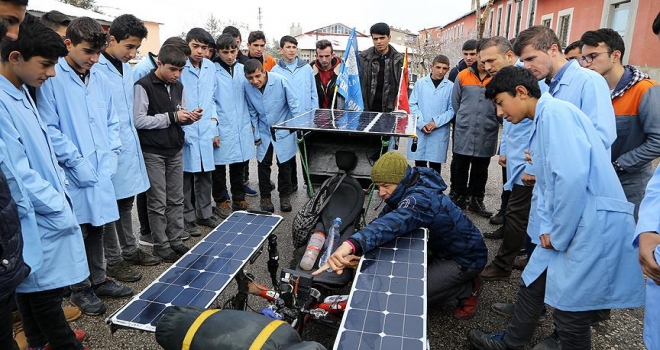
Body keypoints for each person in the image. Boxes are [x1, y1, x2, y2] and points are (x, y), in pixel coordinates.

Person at [469, 65, 644, 350]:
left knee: (571, 314)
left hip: (585, 226)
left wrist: (557, 233)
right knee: (532, 281)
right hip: (572, 222)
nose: (500, 113)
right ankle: (512, 342)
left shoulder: (556, 115)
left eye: (501, 103)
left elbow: (571, 179)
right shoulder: (546, 117)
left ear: (522, 92)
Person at [0, 16, 89, 349]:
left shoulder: (21, 91)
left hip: (43, 210)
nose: (51, 73)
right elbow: (16, 172)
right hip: (33, 214)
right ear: (15, 57)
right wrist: (57, 207)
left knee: (35, 287)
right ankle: (63, 343)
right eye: (46, 64)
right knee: (43, 293)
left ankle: (38, 340)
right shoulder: (2, 101)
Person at [36, 16, 134, 316]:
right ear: (68, 44)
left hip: (101, 167)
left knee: (97, 226)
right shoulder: (53, 79)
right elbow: (49, 128)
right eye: (87, 52)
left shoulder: (100, 79)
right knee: (77, 228)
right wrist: (75, 162)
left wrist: (112, 155)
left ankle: (99, 277)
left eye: (97, 52)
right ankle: (80, 288)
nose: (93, 59)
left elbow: (111, 121)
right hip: (71, 171)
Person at [315, 152, 487, 319]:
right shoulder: (407, 186)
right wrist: (360, 253)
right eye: (378, 186)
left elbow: (392, 224)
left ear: (401, 180)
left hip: (464, 259)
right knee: (396, 276)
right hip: (439, 250)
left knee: (408, 300)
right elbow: (382, 221)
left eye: (385, 186)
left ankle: (468, 288)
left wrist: (350, 244)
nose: (381, 193)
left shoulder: (420, 199)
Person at [96, 14, 161, 284]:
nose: (133, 53)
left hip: (127, 145)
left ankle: (131, 249)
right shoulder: (97, 69)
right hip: (107, 149)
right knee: (109, 209)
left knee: (125, 203)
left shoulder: (127, 69)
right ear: (112, 39)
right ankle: (114, 260)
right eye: (129, 47)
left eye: (136, 48)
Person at [579, 28, 660, 218]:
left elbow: (657, 141)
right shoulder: (590, 90)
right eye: (583, 58)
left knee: (627, 239)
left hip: (630, 184)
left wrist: (619, 164)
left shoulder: (645, 90)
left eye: (592, 56)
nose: (586, 64)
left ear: (616, 55)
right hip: (596, 180)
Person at [134, 44, 199, 263]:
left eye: (180, 70)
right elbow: (139, 120)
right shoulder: (143, 85)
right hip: (153, 152)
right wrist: (172, 117)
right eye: (172, 69)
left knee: (176, 198)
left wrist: (190, 117)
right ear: (159, 63)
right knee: (157, 201)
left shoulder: (179, 86)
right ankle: (160, 244)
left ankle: (176, 239)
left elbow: (180, 113)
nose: (177, 75)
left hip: (175, 149)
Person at [477, 36, 533, 281]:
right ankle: (518, 249)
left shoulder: (525, 81)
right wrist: (505, 149)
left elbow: (534, 126)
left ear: (510, 56)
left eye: (491, 60)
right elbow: (509, 123)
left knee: (518, 212)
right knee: (513, 209)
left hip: (528, 162)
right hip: (515, 156)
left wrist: (532, 163)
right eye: (484, 62)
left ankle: (503, 265)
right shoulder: (506, 80)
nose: (487, 67)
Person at [243, 59, 301, 213]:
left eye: (257, 76)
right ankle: (265, 197)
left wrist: (298, 127)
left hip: (283, 127)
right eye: (250, 78)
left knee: (285, 164)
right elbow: (252, 112)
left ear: (264, 71)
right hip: (263, 129)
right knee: (263, 164)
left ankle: (284, 196)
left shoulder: (280, 81)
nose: (255, 81)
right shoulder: (247, 88)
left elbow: (294, 104)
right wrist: (256, 135)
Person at [449, 38, 497, 217]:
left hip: (487, 129)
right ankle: (458, 198)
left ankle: (476, 200)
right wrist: (464, 117)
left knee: (481, 167)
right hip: (465, 129)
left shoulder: (497, 77)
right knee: (460, 164)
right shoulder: (463, 75)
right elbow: (455, 102)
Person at [180, 28, 221, 235]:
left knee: (205, 175)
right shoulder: (181, 66)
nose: (199, 51)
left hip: (205, 127)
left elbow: (212, 98)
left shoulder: (211, 67)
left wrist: (214, 124)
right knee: (186, 176)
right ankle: (187, 218)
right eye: (195, 46)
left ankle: (204, 214)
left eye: (204, 48)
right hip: (185, 126)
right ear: (188, 44)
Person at [211, 34, 255, 217]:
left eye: (233, 51)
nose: (230, 56)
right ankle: (221, 200)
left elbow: (250, 97)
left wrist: (252, 122)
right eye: (225, 52)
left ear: (238, 49)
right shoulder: (212, 71)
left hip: (241, 123)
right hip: (222, 123)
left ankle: (239, 197)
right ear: (218, 52)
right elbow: (210, 100)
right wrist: (213, 128)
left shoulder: (242, 69)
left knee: (239, 164)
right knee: (219, 167)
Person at [272, 35, 318, 193]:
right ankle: (291, 185)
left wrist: (314, 114)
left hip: (305, 118)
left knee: (307, 154)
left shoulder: (306, 68)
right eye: (288, 47)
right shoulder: (275, 71)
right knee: (287, 154)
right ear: (281, 49)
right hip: (286, 120)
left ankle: (309, 185)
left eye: (294, 47)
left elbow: (313, 93)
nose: (291, 50)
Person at [407, 54, 453, 174]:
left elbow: (452, 109)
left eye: (444, 68)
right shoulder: (421, 83)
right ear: (431, 67)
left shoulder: (450, 87)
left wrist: (436, 122)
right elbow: (412, 104)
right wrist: (421, 123)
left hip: (438, 130)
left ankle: (433, 190)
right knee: (419, 164)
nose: (440, 71)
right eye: (438, 67)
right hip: (420, 129)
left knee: (435, 166)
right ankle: (419, 190)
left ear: (448, 69)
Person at [359, 22, 403, 113]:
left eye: (382, 38)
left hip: (390, 112)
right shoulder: (363, 58)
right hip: (367, 110)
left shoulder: (399, 60)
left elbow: (403, 87)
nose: (379, 41)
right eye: (375, 39)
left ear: (389, 38)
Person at [311, 39, 342, 109]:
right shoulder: (309, 71)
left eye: (327, 56)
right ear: (316, 56)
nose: (324, 60)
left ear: (332, 55)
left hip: (337, 114)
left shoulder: (343, 71)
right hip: (317, 114)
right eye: (321, 56)